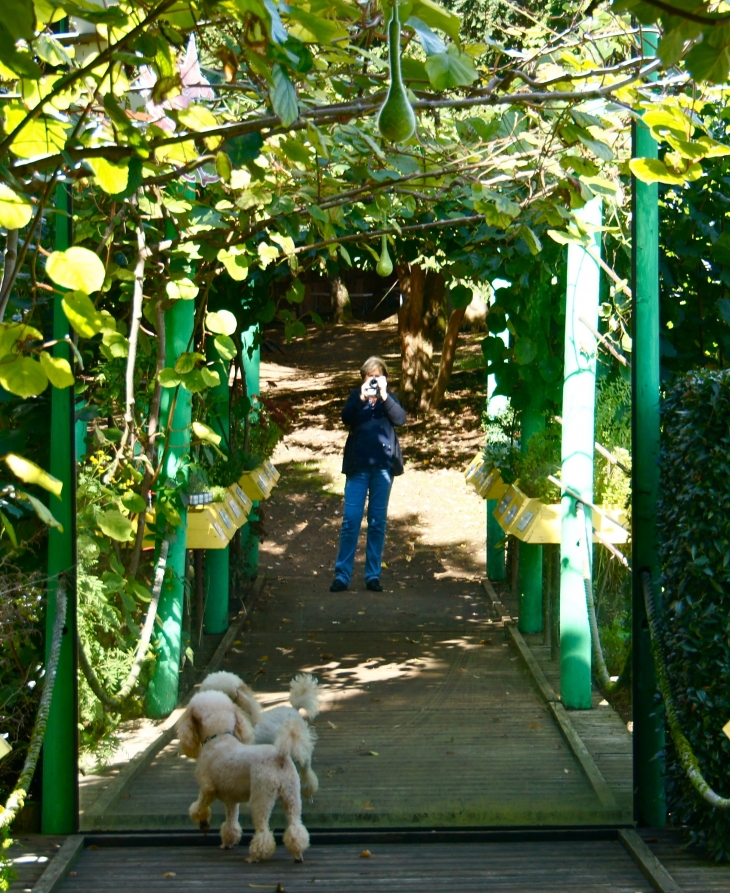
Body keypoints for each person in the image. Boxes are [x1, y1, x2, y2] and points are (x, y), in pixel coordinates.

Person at [330, 356, 406, 592]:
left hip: (383, 468)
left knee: (377, 522)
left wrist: (383, 395)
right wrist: (362, 397)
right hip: (358, 467)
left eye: (378, 376)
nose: (373, 380)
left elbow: (400, 419)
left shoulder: (389, 399)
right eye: (369, 376)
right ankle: (342, 575)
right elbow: (345, 418)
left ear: (385, 378)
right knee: (351, 521)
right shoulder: (356, 397)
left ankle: (372, 575)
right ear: (363, 378)